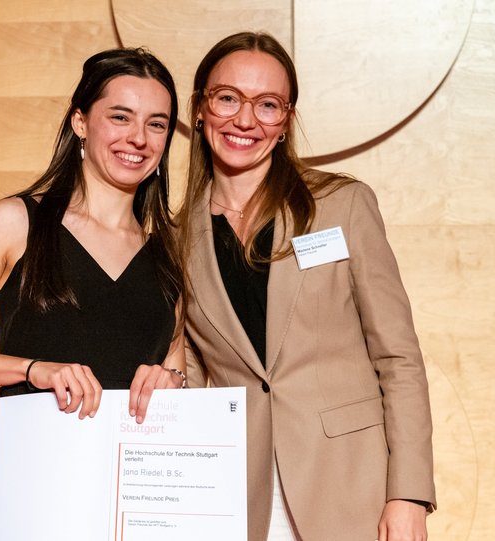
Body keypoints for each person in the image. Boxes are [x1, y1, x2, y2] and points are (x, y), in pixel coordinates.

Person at [0, 48, 186, 541]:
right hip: (33, 479)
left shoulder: (168, 254)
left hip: (135, 494)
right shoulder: (15, 223)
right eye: (120, 117)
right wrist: (34, 369)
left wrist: (173, 382)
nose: (138, 138)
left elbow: (176, 367)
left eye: (156, 124)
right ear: (80, 121)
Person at [178, 32, 436, 541]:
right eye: (228, 97)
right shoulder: (175, 238)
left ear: (286, 120)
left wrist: (407, 494)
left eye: (267, 105)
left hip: (351, 487)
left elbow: (398, 358)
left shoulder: (343, 205)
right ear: (201, 108)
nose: (245, 120)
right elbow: (183, 372)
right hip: (234, 496)